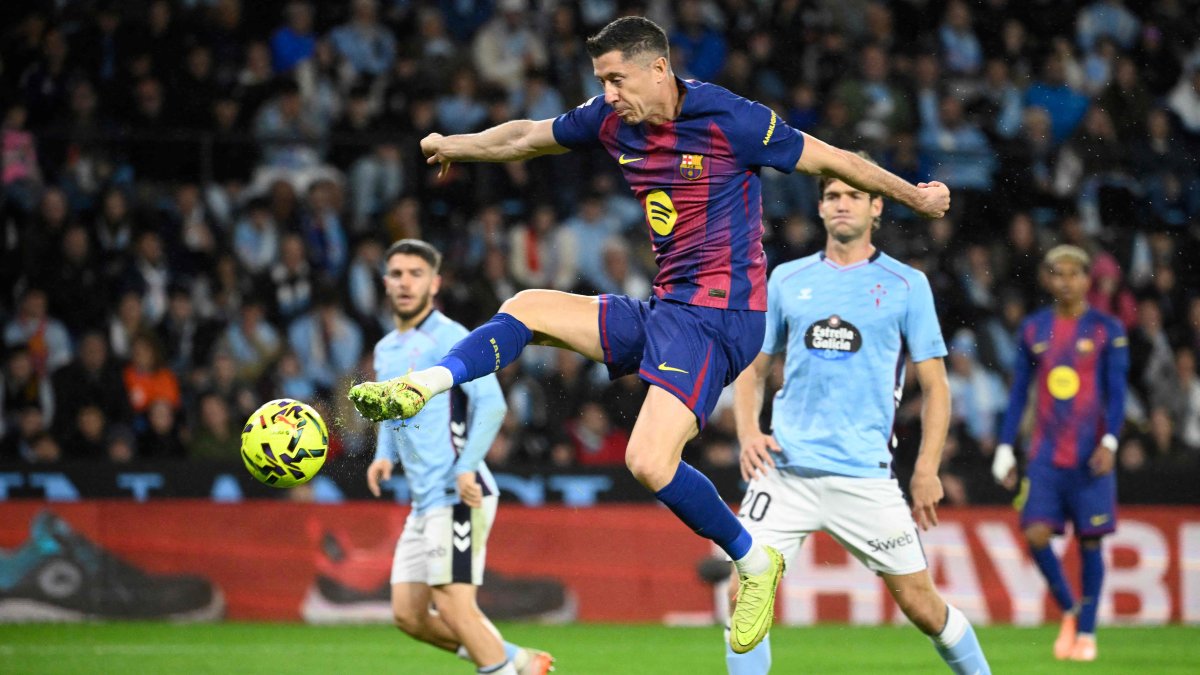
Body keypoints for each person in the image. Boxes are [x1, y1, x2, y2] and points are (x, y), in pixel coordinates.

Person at [349, 16, 950, 654]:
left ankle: (752, 560)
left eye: (616, 79)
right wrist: (454, 144)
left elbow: (834, 159)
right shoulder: (611, 120)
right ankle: (426, 384)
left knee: (646, 460)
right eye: (600, 81)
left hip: (722, 317)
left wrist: (914, 196)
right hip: (668, 311)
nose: (608, 94)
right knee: (527, 305)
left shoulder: (731, 119)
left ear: (658, 68)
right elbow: (527, 137)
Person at [730, 159, 989, 674]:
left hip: (865, 478)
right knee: (745, 595)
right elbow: (752, 369)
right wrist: (748, 432)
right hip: (786, 474)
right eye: (831, 196)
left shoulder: (906, 285)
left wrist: (926, 469)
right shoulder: (787, 279)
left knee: (921, 605)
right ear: (821, 209)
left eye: (854, 195)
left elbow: (937, 389)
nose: (841, 203)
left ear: (877, 206)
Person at [366, 240, 553, 675]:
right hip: (425, 501)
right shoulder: (386, 349)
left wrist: (467, 465)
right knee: (409, 616)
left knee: (454, 606)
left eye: (416, 273)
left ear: (435, 283)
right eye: (397, 273)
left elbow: (492, 404)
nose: (405, 282)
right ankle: (517, 659)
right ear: (385, 282)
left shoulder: (450, 337)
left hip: (458, 493)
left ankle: (506, 667)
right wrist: (383, 455)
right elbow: (389, 409)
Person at [992, 245, 1129, 662]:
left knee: (1090, 543)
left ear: (1088, 279)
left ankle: (1086, 633)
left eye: (1073, 273)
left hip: (1091, 456)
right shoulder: (1034, 329)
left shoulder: (1108, 328)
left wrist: (1111, 442)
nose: (1065, 281)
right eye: (1057, 273)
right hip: (1046, 455)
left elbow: (1118, 392)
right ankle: (1071, 609)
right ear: (1047, 279)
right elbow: (1019, 393)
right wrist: (1004, 446)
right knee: (1034, 534)